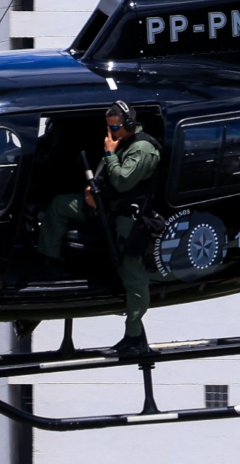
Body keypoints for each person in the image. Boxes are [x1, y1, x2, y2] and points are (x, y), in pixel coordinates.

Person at [37, 101, 163, 355]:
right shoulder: (120, 142)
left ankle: (135, 336)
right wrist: (91, 188)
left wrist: (109, 153)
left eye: (115, 128)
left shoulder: (143, 149)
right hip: (104, 205)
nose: (111, 133)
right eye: (109, 128)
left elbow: (123, 181)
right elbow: (107, 176)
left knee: (132, 273)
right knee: (59, 206)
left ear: (128, 124)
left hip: (128, 215)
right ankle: (48, 262)